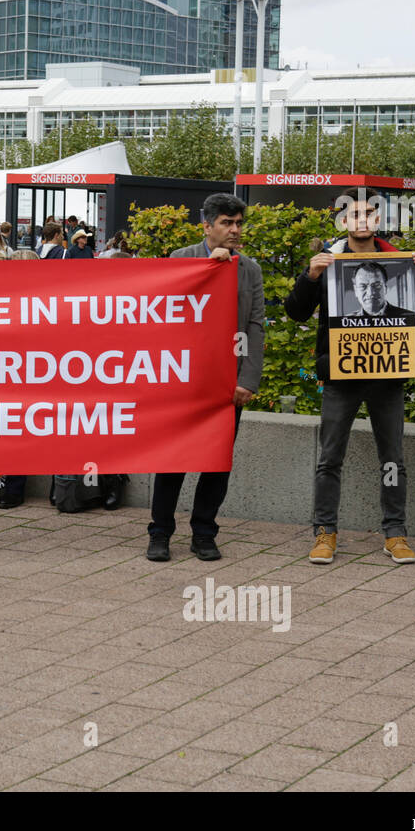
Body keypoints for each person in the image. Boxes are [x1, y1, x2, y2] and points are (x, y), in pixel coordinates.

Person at [285, 187, 415, 566]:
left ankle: (395, 533)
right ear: (342, 221)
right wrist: (310, 277)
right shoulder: (328, 260)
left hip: (388, 376)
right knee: (329, 458)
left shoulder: (400, 261)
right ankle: (324, 532)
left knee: (393, 459)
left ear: (380, 219)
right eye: (353, 214)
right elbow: (295, 312)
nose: (362, 220)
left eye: (370, 213)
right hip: (340, 377)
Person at [147, 193, 265, 563]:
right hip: (184, 380)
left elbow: (255, 326)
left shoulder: (251, 268)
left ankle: (204, 533)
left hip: (227, 384)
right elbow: (162, 313)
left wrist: (248, 380)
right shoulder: (180, 260)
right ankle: (160, 533)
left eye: (238, 223)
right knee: (172, 460)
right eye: (227, 223)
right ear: (207, 226)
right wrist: (209, 270)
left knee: (216, 462)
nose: (235, 230)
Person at [347, 261, 415, 321]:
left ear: (385, 288)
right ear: (356, 290)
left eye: (376, 285)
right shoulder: (346, 321)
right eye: (363, 286)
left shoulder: (408, 317)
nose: (370, 293)